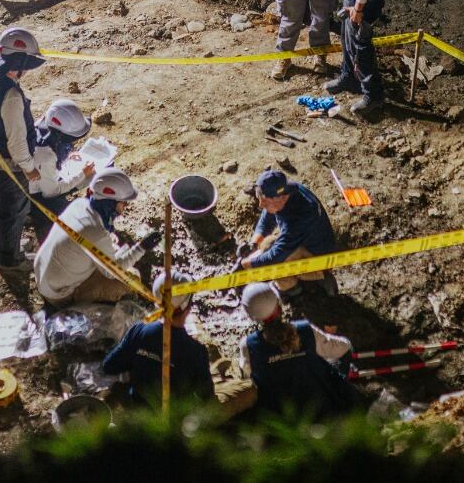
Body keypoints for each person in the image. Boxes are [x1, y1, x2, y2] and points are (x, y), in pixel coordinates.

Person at [0, 27, 49, 292]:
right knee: (13, 211)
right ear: (19, 64)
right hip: (8, 164)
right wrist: (29, 169)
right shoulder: (12, 97)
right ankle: (11, 259)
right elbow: (17, 143)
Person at [34, 167, 158, 307]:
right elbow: (113, 273)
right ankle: (81, 305)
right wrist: (141, 247)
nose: (125, 208)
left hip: (45, 277)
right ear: (112, 204)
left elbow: (93, 236)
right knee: (131, 278)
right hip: (60, 294)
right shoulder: (95, 232)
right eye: (124, 203)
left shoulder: (79, 204)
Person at [238, 282, 361, 420]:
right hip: (320, 411)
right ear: (279, 305)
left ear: (252, 316)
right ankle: (341, 403)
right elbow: (343, 348)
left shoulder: (248, 345)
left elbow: (248, 378)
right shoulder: (305, 330)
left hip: (281, 421)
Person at [102, 273, 215, 408]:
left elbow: (109, 366)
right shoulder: (196, 352)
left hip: (137, 413)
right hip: (174, 423)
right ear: (188, 307)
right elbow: (208, 399)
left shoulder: (138, 331)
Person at [239, 169, 337, 295]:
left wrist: (246, 264)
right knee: (265, 245)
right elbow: (266, 216)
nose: (260, 205)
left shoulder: (301, 217)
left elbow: (276, 256)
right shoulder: (285, 190)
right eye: (260, 199)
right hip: (302, 241)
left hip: (320, 259)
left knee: (273, 266)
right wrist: (253, 243)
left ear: (283, 198)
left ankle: (293, 288)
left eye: (265, 202)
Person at [20, 98, 96, 237]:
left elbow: (54, 152)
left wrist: (68, 154)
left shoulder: (44, 127)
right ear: (63, 135)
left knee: (92, 174)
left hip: (46, 179)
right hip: (35, 196)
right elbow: (51, 192)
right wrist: (81, 174)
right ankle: (33, 216)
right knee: (73, 216)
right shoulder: (45, 155)